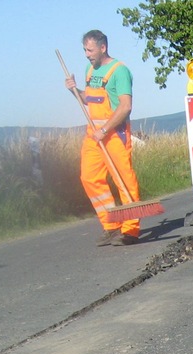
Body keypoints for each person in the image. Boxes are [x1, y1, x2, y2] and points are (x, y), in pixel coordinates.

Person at [63, 30, 141, 246]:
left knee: (124, 180)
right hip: (93, 136)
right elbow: (89, 99)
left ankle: (130, 230)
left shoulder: (120, 71)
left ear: (103, 47)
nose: (87, 54)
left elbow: (125, 107)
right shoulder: (90, 70)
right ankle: (111, 224)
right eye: (84, 50)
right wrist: (74, 90)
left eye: (90, 50)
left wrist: (105, 130)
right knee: (89, 177)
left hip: (114, 133)